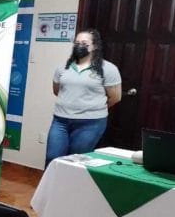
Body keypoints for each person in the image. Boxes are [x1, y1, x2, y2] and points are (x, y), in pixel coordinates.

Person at [45, 29, 122, 166]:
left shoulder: (108, 68)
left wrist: (92, 106)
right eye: (77, 43)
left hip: (90, 123)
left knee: (76, 161)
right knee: (52, 157)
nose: (79, 46)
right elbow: (57, 91)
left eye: (84, 43)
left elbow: (115, 97)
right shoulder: (63, 68)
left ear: (95, 46)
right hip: (60, 121)